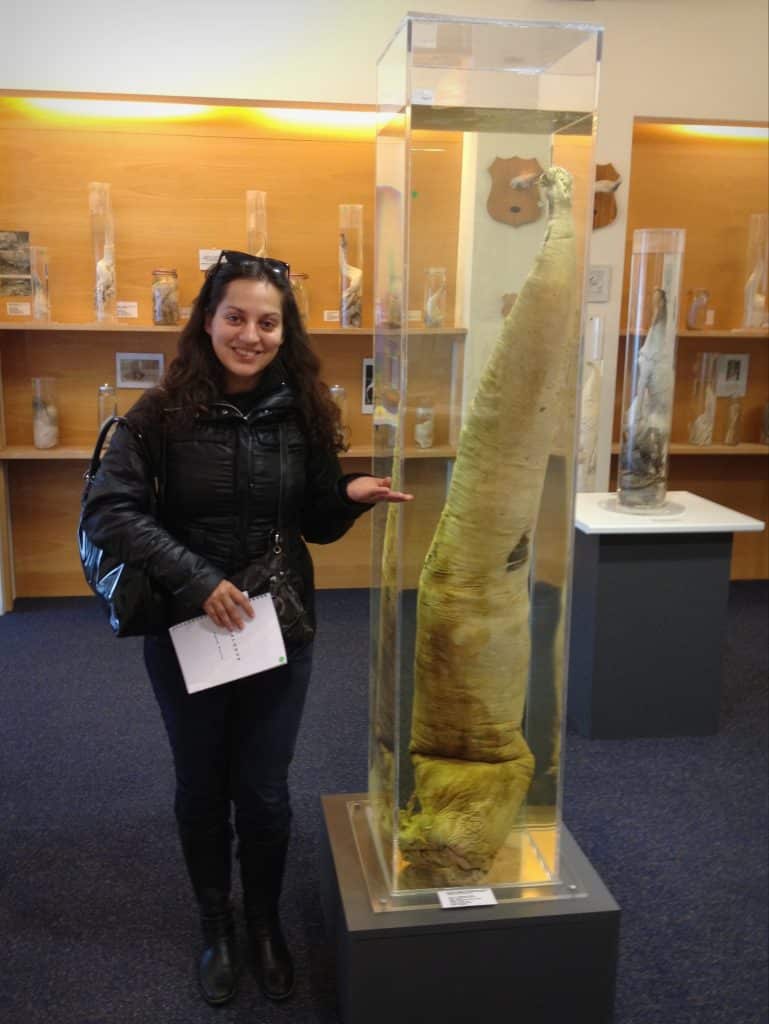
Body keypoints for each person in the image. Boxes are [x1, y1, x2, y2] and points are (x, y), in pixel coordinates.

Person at [80, 249, 411, 1007]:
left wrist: (348, 494)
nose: (251, 334)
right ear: (208, 320)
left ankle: (262, 923)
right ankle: (215, 922)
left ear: (283, 330)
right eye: (236, 317)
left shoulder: (303, 411)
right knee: (202, 785)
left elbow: (315, 523)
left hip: (279, 624)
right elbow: (110, 508)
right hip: (188, 627)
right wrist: (198, 580)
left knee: (262, 791)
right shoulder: (159, 413)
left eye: (268, 321)